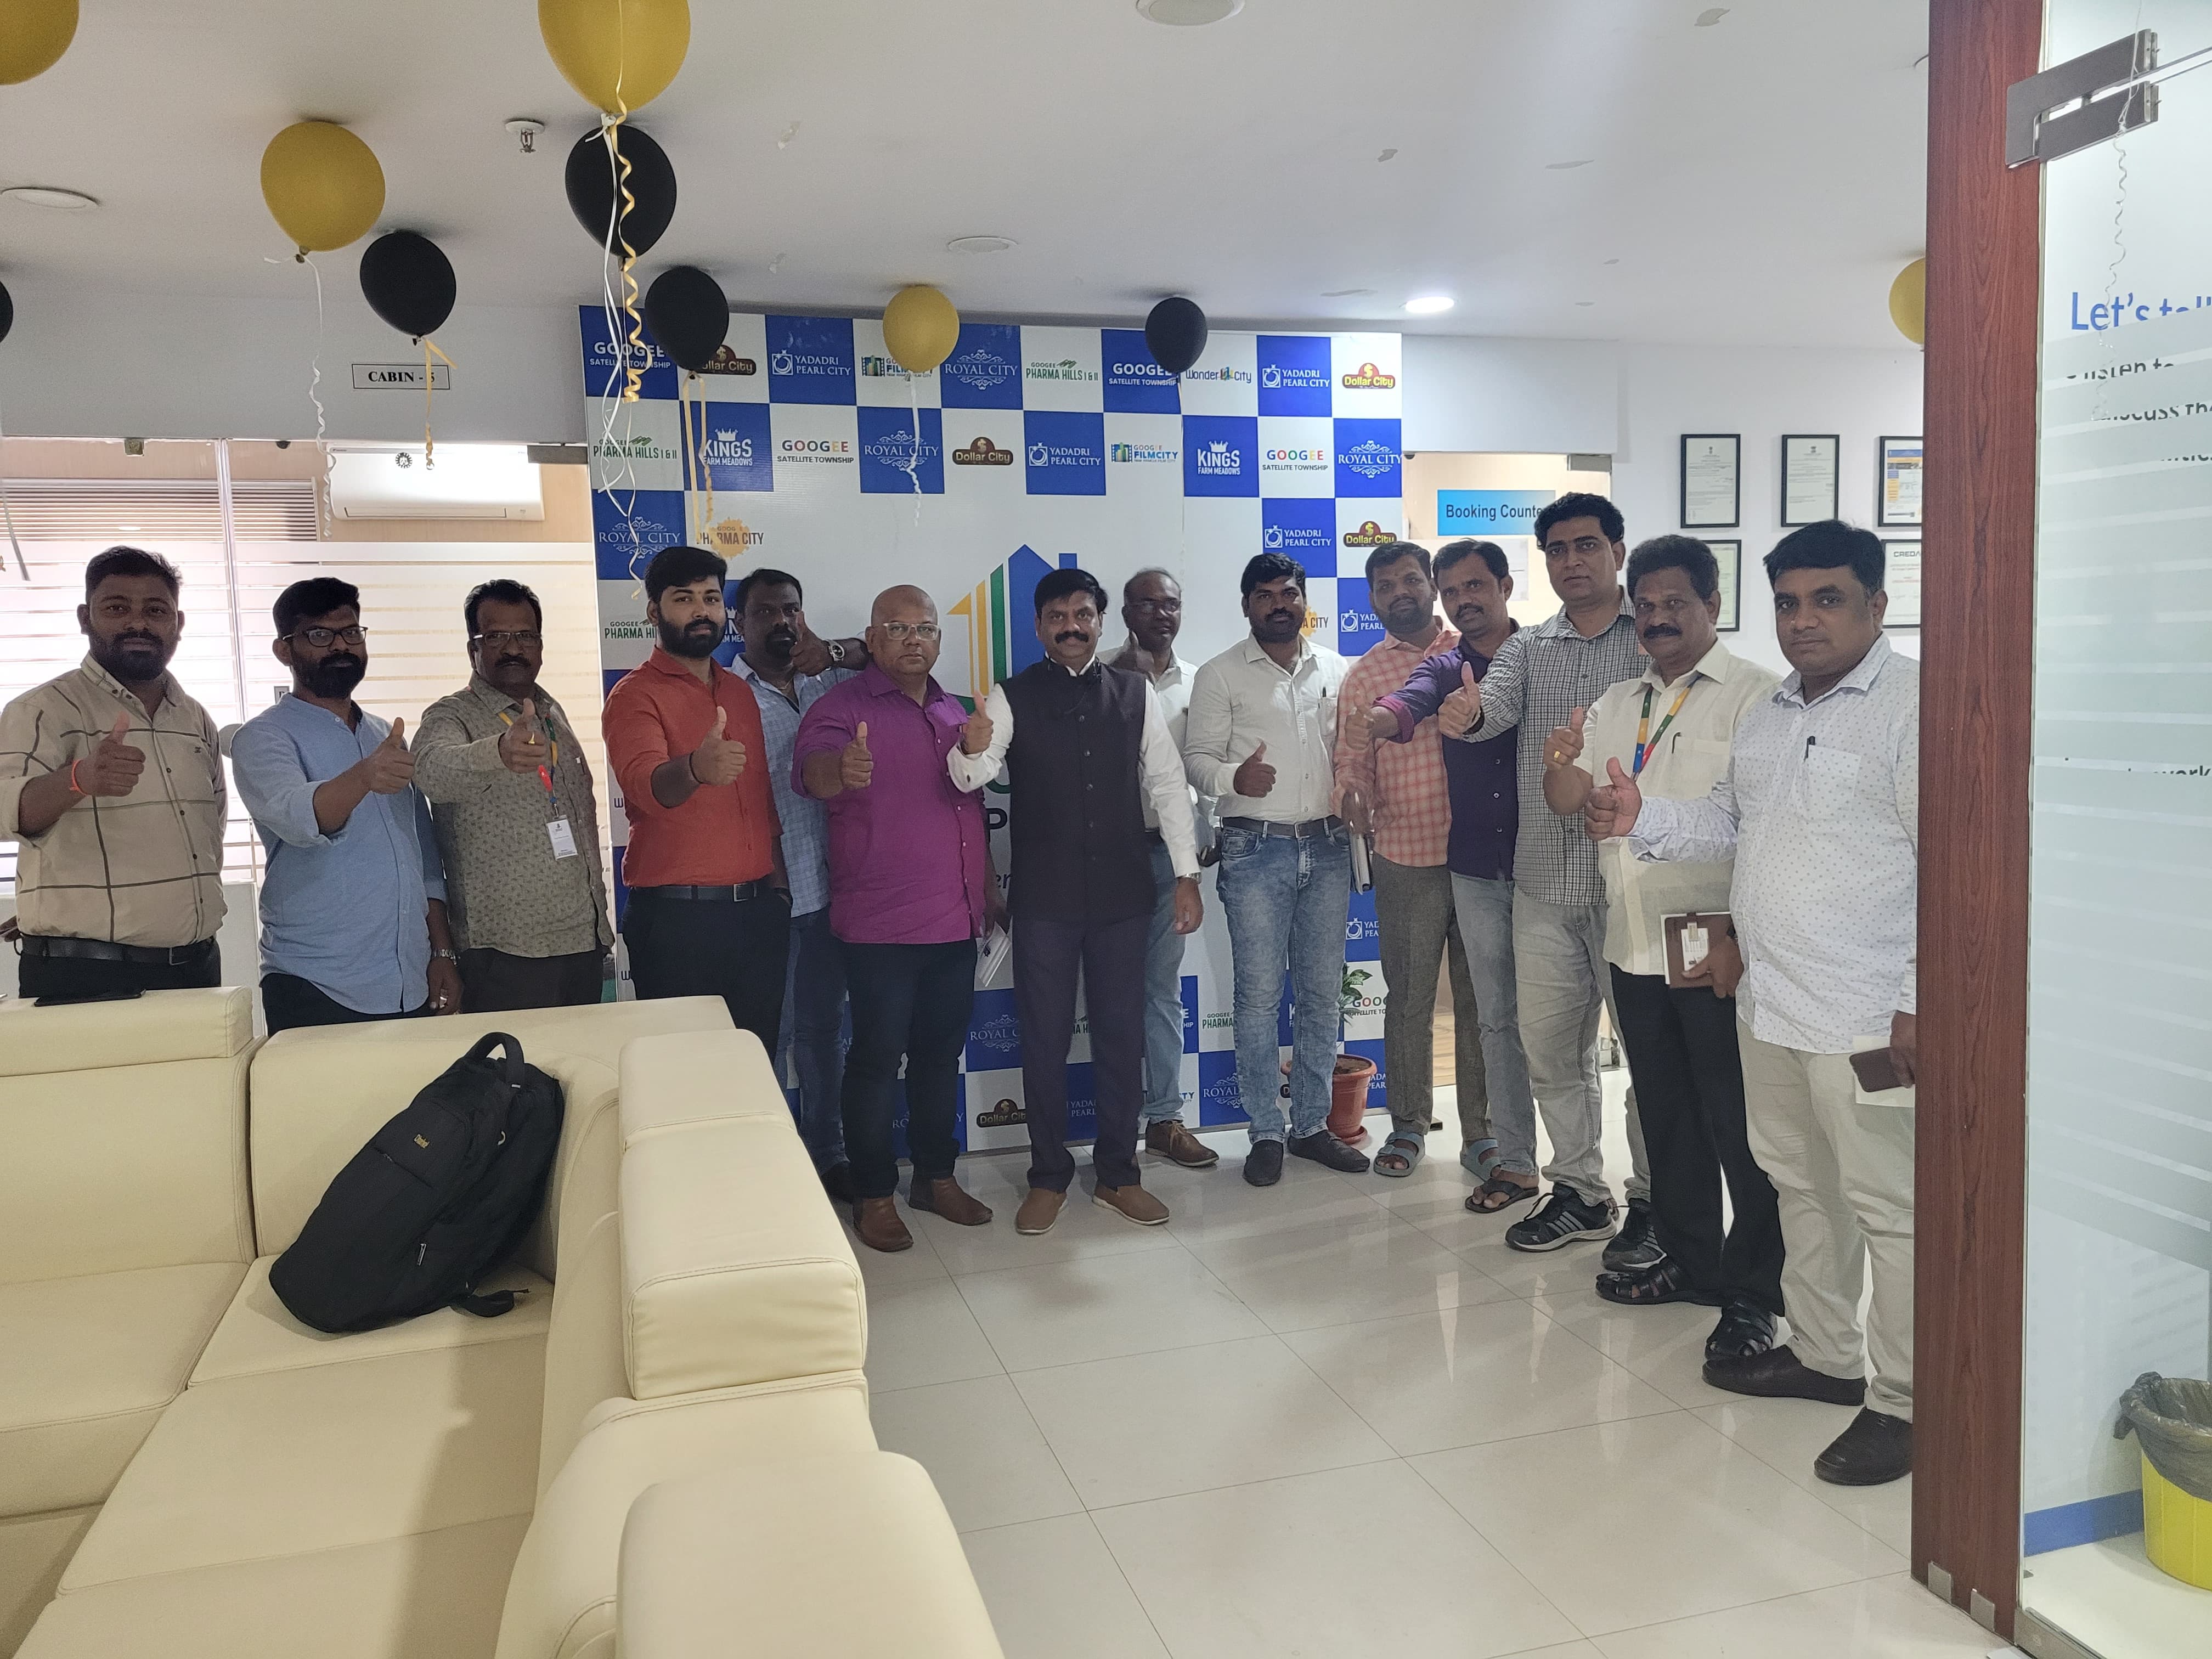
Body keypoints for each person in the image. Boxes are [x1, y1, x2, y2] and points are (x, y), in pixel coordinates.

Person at [1584, 520, 1920, 1487]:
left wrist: (1919, 999)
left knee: (1889, 1208)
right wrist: (1645, 815)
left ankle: (1905, 1401)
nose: (1803, 620)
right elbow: (1733, 821)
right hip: (1770, 1004)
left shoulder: (1912, 708)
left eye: (1827, 599)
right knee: (1800, 1186)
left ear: (1875, 605)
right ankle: (1825, 1354)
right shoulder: (1773, 711)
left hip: (1867, 1015)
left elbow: (1952, 865)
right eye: (1788, 602)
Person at [1385, 493, 1657, 1260]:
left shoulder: (1652, 640)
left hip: (1634, 885)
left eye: (1587, 545)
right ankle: (1579, 1192)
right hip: (1543, 885)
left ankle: (1654, 1198)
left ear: (1617, 552)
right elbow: (1494, 704)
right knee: (1553, 1053)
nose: (1572, 561)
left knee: (1646, 1055)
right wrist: (1468, 716)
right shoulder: (1530, 649)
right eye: (1558, 550)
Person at [1542, 537, 1785, 1363]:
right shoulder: (1618, 702)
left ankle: (1756, 1293)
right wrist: (1560, 766)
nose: (1656, 618)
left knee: (1741, 1129)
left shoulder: (1758, 699)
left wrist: (1745, 939)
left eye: (1675, 603)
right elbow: (1573, 801)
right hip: (1635, 944)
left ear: (1713, 606)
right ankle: (1690, 1260)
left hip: (1720, 950)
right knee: (1668, 1117)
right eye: (1644, 606)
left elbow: (1764, 831)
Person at [951, 567, 1203, 1233]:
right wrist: (969, 751)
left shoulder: (1134, 692)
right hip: (1046, 901)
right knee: (1045, 1039)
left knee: (1121, 1035)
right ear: (1039, 627)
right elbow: (974, 776)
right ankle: (1048, 1177)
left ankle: (1119, 1174)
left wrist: (1186, 875)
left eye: (1083, 615)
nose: (1071, 626)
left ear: (1099, 622)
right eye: (1058, 616)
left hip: (1125, 895)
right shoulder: (1010, 696)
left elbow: (1168, 785)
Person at [794, 585, 1000, 1252]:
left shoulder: (952, 709)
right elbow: (812, 775)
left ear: (939, 639)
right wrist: (842, 769)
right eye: (899, 628)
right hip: (880, 925)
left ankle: (936, 1179)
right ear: (872, 638)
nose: (915, 639)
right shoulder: (840, 707)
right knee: (877, 1061)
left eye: (926, 629)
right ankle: (875, 1193)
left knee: (940, 1059)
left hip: (955, 920)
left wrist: (987, 893)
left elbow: (969, 809)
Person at [1183, 552, 1369, 1186]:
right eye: (1264, 595)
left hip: (1328, 847)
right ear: (1247, 606)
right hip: (1255, 849)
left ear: (1304, 600)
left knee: (1320, 996)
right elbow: (1197, 759)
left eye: (1289, 593)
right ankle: (1265, 1130)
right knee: (1260, 999)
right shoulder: (1220, 674)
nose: (1279, 604)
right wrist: (1234, 778)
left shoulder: (1339, 669)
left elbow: (1355, 754)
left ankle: (1311, 1126)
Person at [1368, 540, 1541, 1212]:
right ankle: (1412, 1126)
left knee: (1500, 1011)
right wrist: (1380, 720)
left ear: (1504, 585)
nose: (1463, 599)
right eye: (1453, 590)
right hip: (1441, 860)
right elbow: (1409, 701)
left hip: (1535, 864)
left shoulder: (1543, 655)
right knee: (1424, 1000)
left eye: (1475, 586)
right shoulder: (1443, 665)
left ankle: (1490, 1137)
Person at [232, 578, 461, 1034]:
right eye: (320, 635)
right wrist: (364, 776)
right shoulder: (263, 738)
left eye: (351, 632)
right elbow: (299, 818)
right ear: (284, 650)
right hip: (316, 983)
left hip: (411, 979)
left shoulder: (384, 735)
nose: (341, 646)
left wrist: (442, 952)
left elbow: (423, 860)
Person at [1333, 540, 1493, 1182]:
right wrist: (1351, 797)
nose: (1399, 592)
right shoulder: (1364, 675)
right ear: (1372, 601)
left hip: (1484, 859)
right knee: (1408, 1001)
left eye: (1409, 580)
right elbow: (1351, 764)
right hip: (1406, 857)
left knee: (1483, 1002)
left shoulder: (1480, 650)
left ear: (1432, 585)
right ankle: (1407, 1126)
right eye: (1384, 586)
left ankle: (1483, 1133)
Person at [0, 548, 228, 1000]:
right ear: (86, 618)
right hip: (86, 974)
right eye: (117, 608)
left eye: (156, 610)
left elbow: (209, 831)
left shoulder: (195, 718)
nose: (138, 623)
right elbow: (5, 809)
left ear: (178, 623)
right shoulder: (42, 709)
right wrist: (78, 779)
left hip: (196, 968)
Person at [602, 545, 790, 1047]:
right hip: (679, 924)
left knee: (753, 1067)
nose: (701, 611)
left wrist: (779, 895)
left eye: (710, 598)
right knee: (687, 1074)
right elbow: (645, 786)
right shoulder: (634, 695)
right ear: (654, 612)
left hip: (757, 916)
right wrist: (695, 769)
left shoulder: (739, 692)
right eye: (684, 599)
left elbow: (764, 806)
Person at [731, 567, 868, 1199]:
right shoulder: (728, 695)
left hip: (837, 892)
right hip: (771, 898)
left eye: (790, 610)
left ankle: (829, 1153)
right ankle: (770, 1167)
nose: (781, 622)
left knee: (823, 1035)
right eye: (765, 612)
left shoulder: (830, 680)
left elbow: (882, 653)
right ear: (739, 622)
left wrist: (833, 651)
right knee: (772, 1035)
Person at [413, 580, 613, 1012]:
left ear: (540, 645)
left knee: (581, 1056)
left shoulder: (550, 712)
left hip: (582, 943)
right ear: (473, 648)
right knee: (516, 1060)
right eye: (496, 637)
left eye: (525, 636)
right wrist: (498, 752)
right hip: (506, 953)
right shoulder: (452, 715)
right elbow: (430, 771)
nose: (513, 649)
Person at [1107, 567, 1220, 1169]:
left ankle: (1165, 1119)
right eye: (1147, 604)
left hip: (1169, 857)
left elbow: (1206, 768)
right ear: (1126, 613)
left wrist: (1206, 835)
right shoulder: (1098, 674)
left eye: (1171, 604)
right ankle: (1113, 1129)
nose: (1161, 614)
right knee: (1107, 992)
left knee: (1160, 991)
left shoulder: (1201, 684)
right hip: (1105, 857)